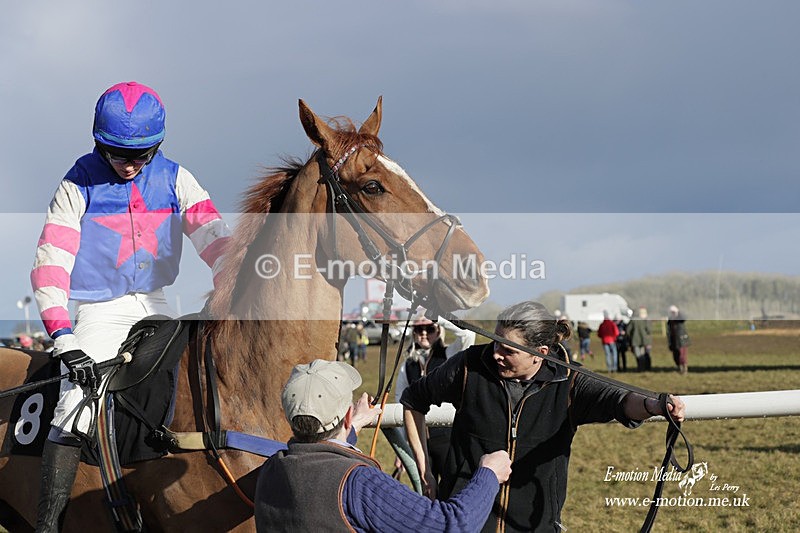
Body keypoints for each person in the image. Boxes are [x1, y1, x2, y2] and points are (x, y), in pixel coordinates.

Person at [30, 81, 231, 531]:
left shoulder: (178, 178)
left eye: (142, 156)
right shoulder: (76, 182)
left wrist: (234, 287)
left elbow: (218, 243)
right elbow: (50, 265)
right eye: (118, 155)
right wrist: (63, 338)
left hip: (157, 305)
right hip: (99, 310)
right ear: (99, 143)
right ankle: (48, 525)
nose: (131, 166)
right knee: (73, 404)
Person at [401, 300, 685, 533]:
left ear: (540, 353)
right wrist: (425, 473)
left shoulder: (570, 381)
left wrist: (655, 405)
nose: (496, 354)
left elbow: (620, 401)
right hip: (467, 521)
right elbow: (413, 400)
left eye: (508, 350)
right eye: (496, 343)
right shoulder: (467, 366)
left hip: (534, 525)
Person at [254, 359, 513, 532]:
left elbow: (316, 460)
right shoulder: (358, 483)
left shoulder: (270, 470)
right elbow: (450, 526)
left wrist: (350, 429)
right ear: (346, 415)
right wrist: (488, 475)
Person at [386, 313, 475, 491]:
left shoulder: (450, 353)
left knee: (453, 491)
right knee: (425, 492)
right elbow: (400, 401)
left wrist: (438, 318)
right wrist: (404, 445)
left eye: (430, 328)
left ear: (439, 330)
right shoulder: (408, 364)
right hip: (419, 440)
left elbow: (468, 335)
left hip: (447, 437)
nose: (424, 333)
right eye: (419, 329)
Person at [667, 305, 691, 374]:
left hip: (681, 339)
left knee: (682, 355)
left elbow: (684, 318)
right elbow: (668, 331)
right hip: (673, 340)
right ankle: (679, 367)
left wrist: (678, 312)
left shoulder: (679, 318)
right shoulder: (670, 320)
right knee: (676, 356)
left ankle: (684, 368)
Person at [627, 307, 652, 371]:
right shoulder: (644, 320)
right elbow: (648, 330)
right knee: (642, 354)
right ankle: (643, 368)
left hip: (635, 340)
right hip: (643, 340)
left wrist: (630, 336)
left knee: (638, 355)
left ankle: (640, 368)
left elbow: (628, 330)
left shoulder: (633, 321)